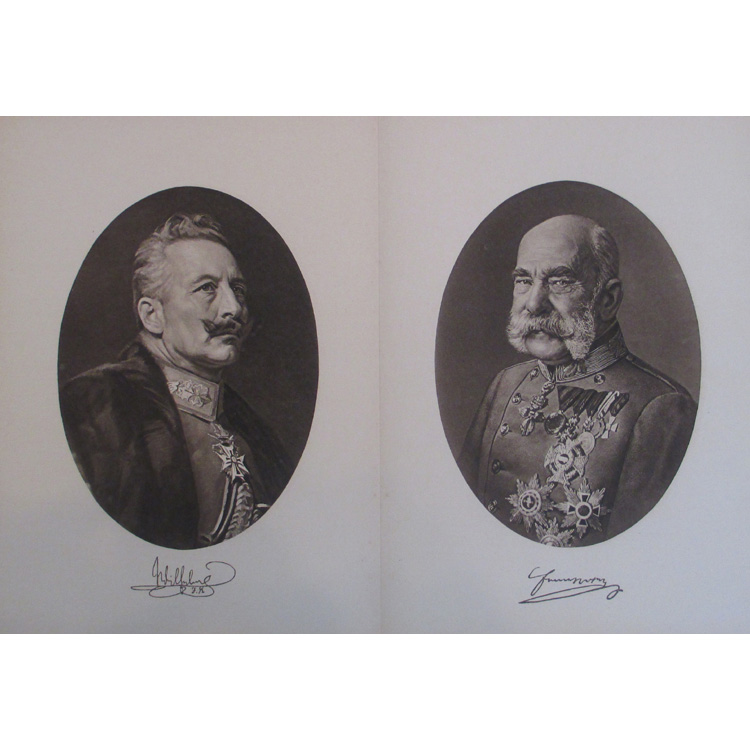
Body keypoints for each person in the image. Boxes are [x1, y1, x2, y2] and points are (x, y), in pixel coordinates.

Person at [459, 214, 697, 547]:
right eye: (524, 280)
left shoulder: (662, 408)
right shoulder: (505, 383)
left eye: (559, 281)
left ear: (608, 300)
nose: (533, 304)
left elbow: (637, 551)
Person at [61, 214, 292, 549]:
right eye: (207, 288)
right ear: (152, 315)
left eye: (237, 289)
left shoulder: (252, 429)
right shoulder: (93, 406)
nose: (233, 308)